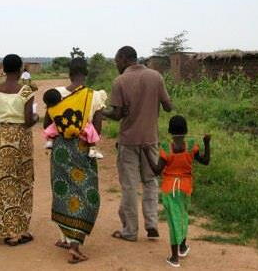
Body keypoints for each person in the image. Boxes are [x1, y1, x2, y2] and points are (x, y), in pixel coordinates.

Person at [104, 46, 173, 242]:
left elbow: (117, 115)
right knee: (150, 182)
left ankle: (130, 231)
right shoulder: (156, 77)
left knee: (129, 186)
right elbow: (168, 106)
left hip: (129, 140)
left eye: (117, 60)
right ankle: (151, 224)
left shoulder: (120, 81)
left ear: (125, 59)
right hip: (150, 140)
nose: (116, 64)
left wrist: (101, 112)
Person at [44, 58, 107, 264]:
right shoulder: (94, 96)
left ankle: (65, 237)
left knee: (63, 191)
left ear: (69, 74)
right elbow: (97, 128)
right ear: (85, 74)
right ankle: (74, 245)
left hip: (61, 150)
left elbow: (47, 123)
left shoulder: (57, 94)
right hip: (82, 149)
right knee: (86, 193)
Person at [0, 54, 39, 246]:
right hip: (21, 138)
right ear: (20, 69)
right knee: (24, 181)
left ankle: (9, 231)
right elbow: (28, 120)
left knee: (4, 182)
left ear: (3, 68)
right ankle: (21, 230)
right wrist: (37, 118)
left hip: (2, 137)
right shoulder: (26, 91)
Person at [145, 115, 211, 268]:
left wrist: (147, 152)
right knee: (182, 216)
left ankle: (174, 257)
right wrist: (207, 143)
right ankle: (182, 247)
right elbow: (206, 161)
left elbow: (156, 171)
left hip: (170, 188)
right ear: (186, 130)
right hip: (185, 187)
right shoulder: (192, 146)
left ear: (169, 130)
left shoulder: (166, 148)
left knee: (173, 220)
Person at [42, 88, 104, 159]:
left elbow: (46, 125)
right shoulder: (86, 95)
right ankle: (92, 149)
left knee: (52, 128)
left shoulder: (51, 110)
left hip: (61, 132)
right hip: (78, 129)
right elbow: (97, 129)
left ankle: (50, 141)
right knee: (90, 129)